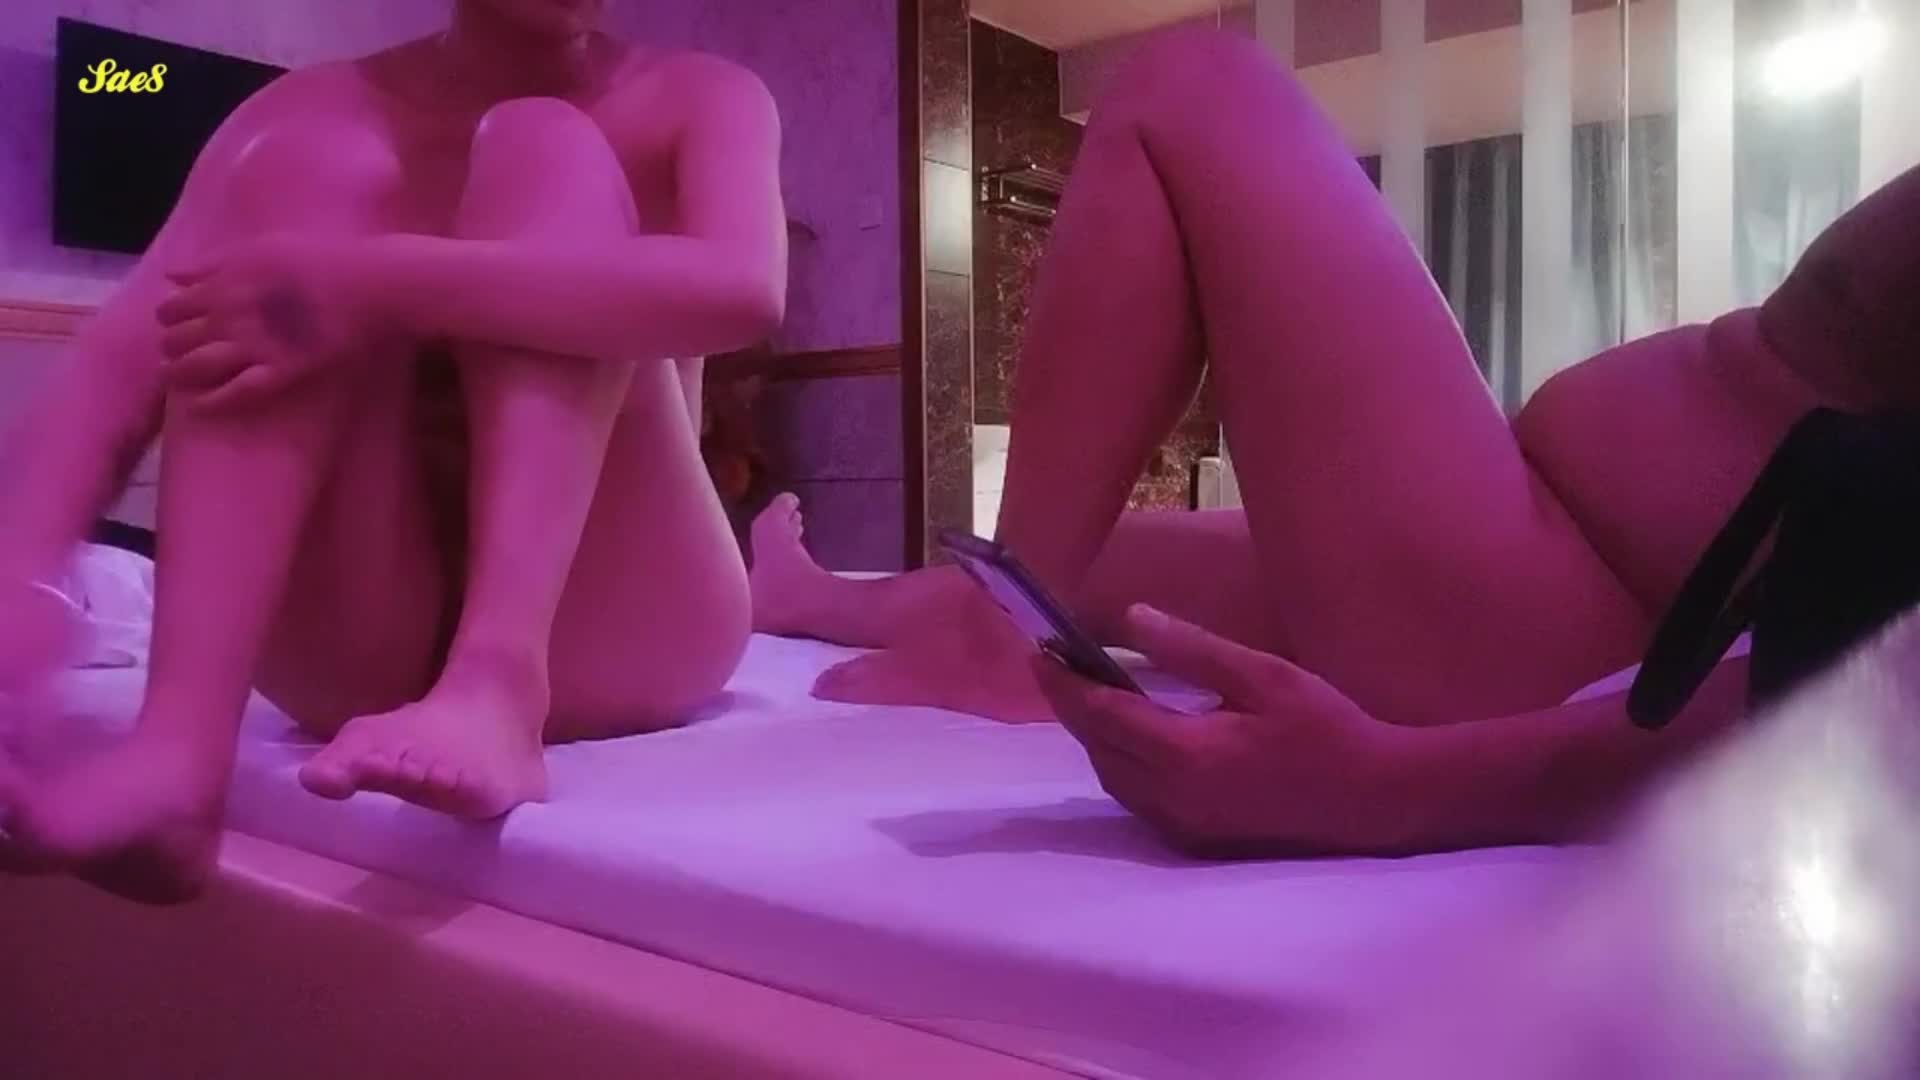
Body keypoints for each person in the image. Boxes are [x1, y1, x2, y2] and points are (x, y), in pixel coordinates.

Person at [746, 28, 1920, 857]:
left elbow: (1859, 670)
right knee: (1092, 564)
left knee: (1188, 91)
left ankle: (995, 651)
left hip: (1565, 633)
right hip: (1549, 555)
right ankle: (824, 601)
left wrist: (1387, 789)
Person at [0, 0, 785, 902]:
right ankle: (178, 752)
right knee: (304, 163)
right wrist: (20, 571)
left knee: (545, 145)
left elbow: (743, 290)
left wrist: (370, 283)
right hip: (358, 642)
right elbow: (125, 359)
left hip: (627, 628)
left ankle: (496, 680)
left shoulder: (701, 96)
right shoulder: (299, 115)